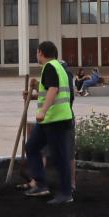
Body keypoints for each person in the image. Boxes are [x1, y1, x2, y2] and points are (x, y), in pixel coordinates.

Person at [23, 41, 75, 205]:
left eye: (37, 53)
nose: (36, 55)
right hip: (50, 120)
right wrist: (35, 90)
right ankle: (40, 184)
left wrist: (43, 110)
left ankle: (66, 193)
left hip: (56, 119)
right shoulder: (58, 67)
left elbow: (54, 89)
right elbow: (48, 89)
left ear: (40, 52)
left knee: (60, 157)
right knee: (31, 146)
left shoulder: (50, 67)